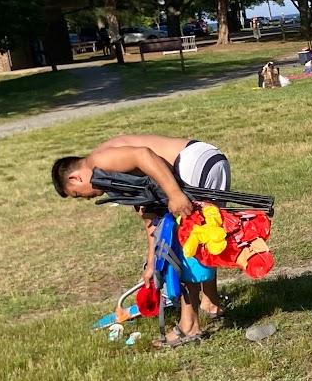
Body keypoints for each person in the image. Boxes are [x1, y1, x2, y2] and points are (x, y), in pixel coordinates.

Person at [50, 135, 233, 347]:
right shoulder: (112, 176)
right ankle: (211, 302)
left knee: (185, 244)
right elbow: (152, 220)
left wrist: (174, 193)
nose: (86, 199)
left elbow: (142, 154)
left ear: (75, 179)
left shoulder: (98, 162)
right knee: (204, 236)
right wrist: (151, 263)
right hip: (206, 160)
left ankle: (189, 326)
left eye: (78, 195)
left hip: (192, 164)